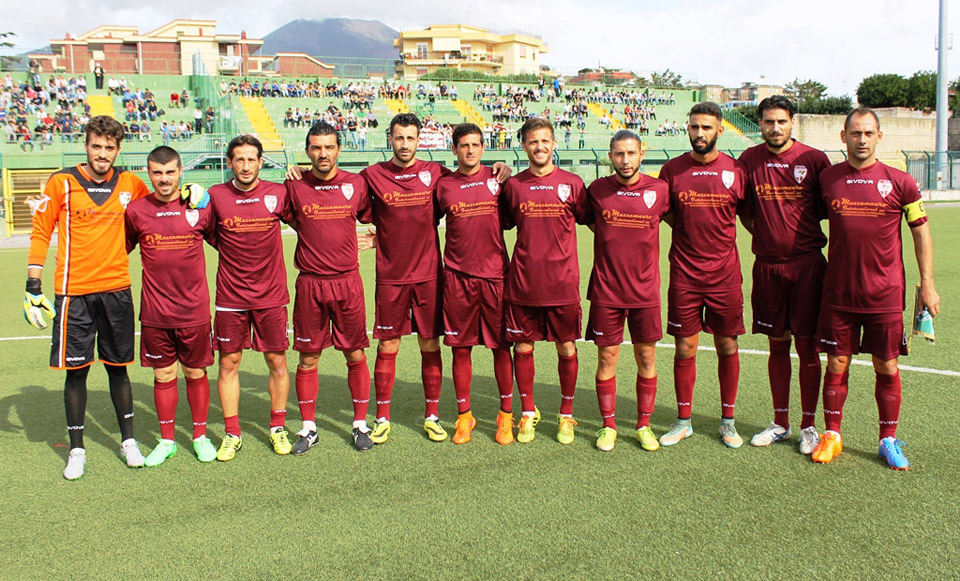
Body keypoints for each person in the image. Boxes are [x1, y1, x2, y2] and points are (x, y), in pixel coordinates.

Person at [354, 113, 510, 444]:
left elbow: (464, 187)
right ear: (390, 139)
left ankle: (432, 416)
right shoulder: (372, 175)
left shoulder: (435, 174)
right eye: (399, 138)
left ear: (419, 140)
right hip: (391, 276)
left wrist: (501, 167)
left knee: (430, 343)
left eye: (411, 138)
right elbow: (337, 191)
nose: (405, 144)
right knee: (388, 345)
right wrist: (299, 173)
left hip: (430, 275)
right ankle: (382, 417)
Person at [812, 107, 940, 469]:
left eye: (869, 133)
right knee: (837, 362)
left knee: (886, 365)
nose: (862, 139)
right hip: (837, 292)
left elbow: (921, 232)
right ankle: (832, 435)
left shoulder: (900, 181)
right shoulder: (827, 180)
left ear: (879, 137)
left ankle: (888, 439)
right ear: (843, 137)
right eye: (855, 133)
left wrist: (927, 284)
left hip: (884, 292)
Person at [24, 116, 150, 480]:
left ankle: (128, 442)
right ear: (86, 145)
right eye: (97, 146)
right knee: (76, 373)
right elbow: (40, 231)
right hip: (73, 294)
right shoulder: (62, 181)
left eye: (110, 148)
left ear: (119, 149)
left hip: (116, 290)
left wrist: (192, 193)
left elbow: (154, 208)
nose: (103, 154)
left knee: (118, 369)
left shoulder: (130, 183)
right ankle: (76, 449)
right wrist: (34, 284)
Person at [738, 96, 832, 454]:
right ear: (759, 124)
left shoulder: (813, 160)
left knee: (807, 344)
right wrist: (764, 234)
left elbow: (826, 210)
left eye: (781, 121)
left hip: (808, 265)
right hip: (767, 267)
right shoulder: (749, 160)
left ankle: (809, 426)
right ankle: (780, 422)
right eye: (768, 122)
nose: (774, 128)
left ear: (792, 123)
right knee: (777, 343)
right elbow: (744, 210)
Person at [658, 102, 749, 449]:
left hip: (725, 275)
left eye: (707, 128)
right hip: (684, 273)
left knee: (727, 344)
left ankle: (728, 422)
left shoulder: (735, 171)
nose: (700, 134)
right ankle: (683, 421)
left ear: (720, 130)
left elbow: (747, 215)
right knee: (685, 347)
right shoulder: (672, 170)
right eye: (695, 127)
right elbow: (665, 212)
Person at [283, 122, 375, 452]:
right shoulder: (294, 185)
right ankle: (308, 428)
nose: (323, 154)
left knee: (355, 353)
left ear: (339, 149)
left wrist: (379, 239)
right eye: (316, 148)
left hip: (348, 282)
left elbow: (379, 216)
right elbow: (283, 214)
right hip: (310, 284)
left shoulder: (356, 184)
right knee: (308, 358)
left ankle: (360, 424)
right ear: (308, 151)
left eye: (329, 147)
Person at [124, 146, 217, 466]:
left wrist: (207, 199)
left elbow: (228, 238)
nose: (164, 179)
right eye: (157, 173)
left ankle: (200, 436)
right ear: (149, 174)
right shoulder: (136, 211)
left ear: (180, 172)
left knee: (195, 371)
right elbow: (118, 249)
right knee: (164, 376)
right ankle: (166, 441)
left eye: (170, 172)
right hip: (155, 312)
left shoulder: (199, 207)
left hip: (193, 310)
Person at [501, 117, 589, 444]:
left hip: (563, 284)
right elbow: (503, 223)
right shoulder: (514, 186)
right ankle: (527, 413)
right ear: (524, 145)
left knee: (566, 347)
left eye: (544, 141)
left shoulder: (573, 184)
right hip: (523, 284)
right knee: (523, 347)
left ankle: (566, 415)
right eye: (532, 141)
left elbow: (592, 221)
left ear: (554, 144)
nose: (539, 146)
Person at [207, 135, 292, 461]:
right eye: (238, 160)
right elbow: (205, 231)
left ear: (260, 162)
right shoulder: (215, 195)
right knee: (228, 363)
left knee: (277, 362)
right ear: (229, 163)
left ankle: (278, 426)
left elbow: (303, 221)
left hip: (271, 297)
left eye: (251, 160)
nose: (245, 166)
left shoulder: (277, 193)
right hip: (230, 297)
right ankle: (232, 433)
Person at [584, 130, 669, 452]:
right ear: (610, 155)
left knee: (646, 357)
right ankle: (608, 426)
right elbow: (593, 223)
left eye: (631, 153)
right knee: (607, 357)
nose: (625, 160)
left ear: (641, 154)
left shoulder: (659, 189)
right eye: (619, 154)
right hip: (606, 290)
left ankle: (644, 424)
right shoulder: (597, 190)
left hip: (645, 291)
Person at [434, 123, 515, 445]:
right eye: (463, 145)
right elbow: (419, 224)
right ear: (454, 149)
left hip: (496, 276)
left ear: (484, 148)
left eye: (475, 145)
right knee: (461, 349)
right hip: (457, 278)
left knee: (500, 348)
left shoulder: (499, 181)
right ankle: (464, 416)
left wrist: (506, 171)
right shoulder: (443, 186)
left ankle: (505, 416)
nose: (470, 150)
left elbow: (515, 219)